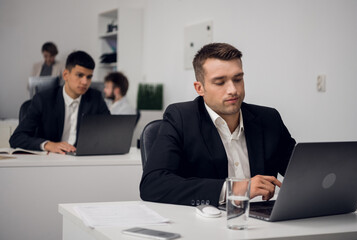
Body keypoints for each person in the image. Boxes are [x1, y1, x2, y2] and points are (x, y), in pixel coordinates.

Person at [140, 43, 296, 207]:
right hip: (205, 223)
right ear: (200, 88)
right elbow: (153, 184)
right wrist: (233, 189)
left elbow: (302, 173)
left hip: (265, 223)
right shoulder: (181, 118)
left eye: (238, 79)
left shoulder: (269, 118)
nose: (233, 90)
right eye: (220, 82)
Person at [10, 51, 110, 154]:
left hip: (82, 161)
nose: (85, 82)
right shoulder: (43, 100)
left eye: (89, 77)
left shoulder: (96, 98)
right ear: (66, 75)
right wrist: (48, 145)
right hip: (50, 161)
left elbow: (109, 132)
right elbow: (16, 138)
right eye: (80, 75)